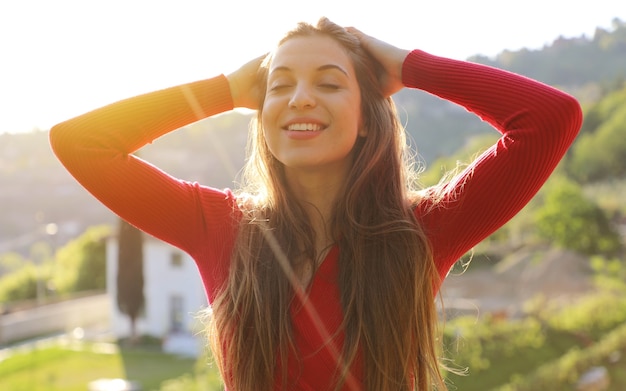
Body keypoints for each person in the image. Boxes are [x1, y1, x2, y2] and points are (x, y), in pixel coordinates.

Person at [50, 17, 582, 391]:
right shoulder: (218, 226)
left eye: (329, 83)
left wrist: (406, 66)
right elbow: (81, 143)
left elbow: (549, 119)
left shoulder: (421, 229)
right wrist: (228, 89)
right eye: (278, 87)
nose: (300, 98)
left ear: (369, 114)